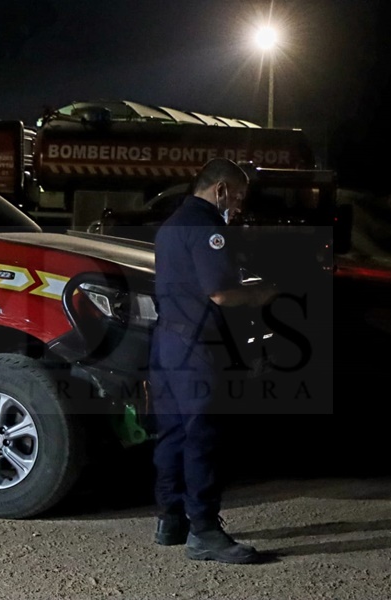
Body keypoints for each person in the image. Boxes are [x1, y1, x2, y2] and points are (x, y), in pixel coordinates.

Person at [149, 158, 276, 564]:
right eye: (237, 198)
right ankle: (204, 530)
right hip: (197, 348)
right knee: (203, 436)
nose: (237, 208)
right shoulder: (207, 228)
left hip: (166, 341)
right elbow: (220, 293)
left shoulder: (171, 225)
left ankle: (170, 520)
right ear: (220, 189)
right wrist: (262, 294)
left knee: (172, 434)